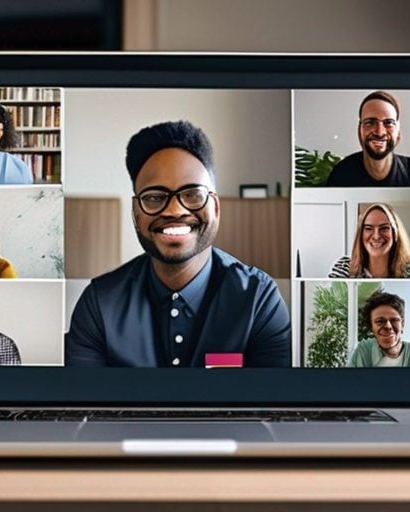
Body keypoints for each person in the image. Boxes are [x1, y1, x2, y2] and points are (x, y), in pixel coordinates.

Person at [65, 120, 291, 367]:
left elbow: (271, 402)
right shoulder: (99, 304)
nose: (174, 210)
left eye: (192, 194)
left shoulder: (258, 300)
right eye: (154, 197)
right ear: (135, 213)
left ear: (215, 206)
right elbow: (85, 404)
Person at [324, 91, 410, 187]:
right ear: (359, 131)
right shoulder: (343, 173)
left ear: (398, 133)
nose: (379, 132)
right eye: (370, 122)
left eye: (389, 123)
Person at [328, 203, 410, 278]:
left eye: (384, 228)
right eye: (369, 228)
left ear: (395, 233)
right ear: (361, 234)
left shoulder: (407, 269)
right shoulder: (344, 266)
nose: (376, 236)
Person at [348, 290, 410, 368]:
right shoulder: (364, 351)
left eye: (394, 320)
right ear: (371, 327)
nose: (388, 326)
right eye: (380, 321)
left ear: (402, 325)